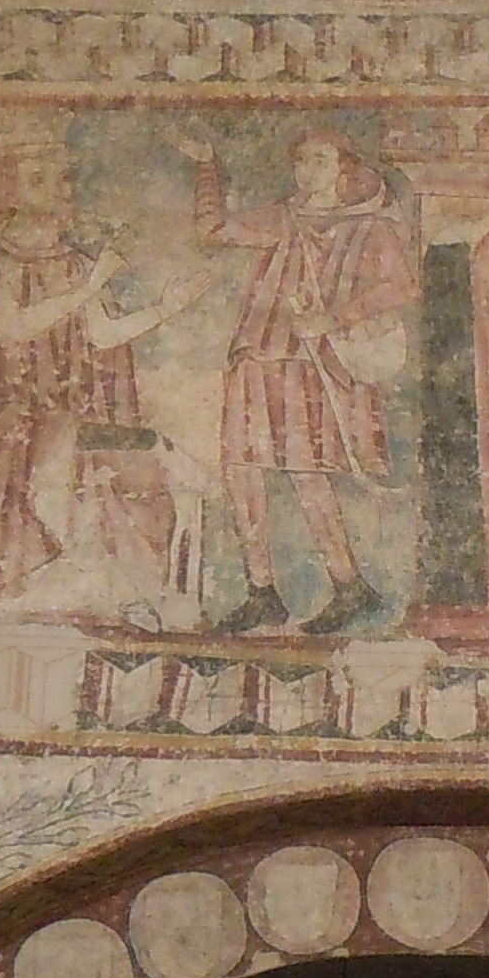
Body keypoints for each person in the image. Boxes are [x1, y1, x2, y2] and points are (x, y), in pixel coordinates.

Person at [184, 126, 420, 635]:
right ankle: (262, 591)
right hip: (258, 352)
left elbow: (400, 286)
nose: (306, 170)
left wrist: (334, 317)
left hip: (311, 361)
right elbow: (214, 229)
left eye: (319, 159)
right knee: (240, 469)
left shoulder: (368, 225)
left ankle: (349, 584)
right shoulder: (283, 217)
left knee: (305, 471)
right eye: (301, 160)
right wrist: (206, 166)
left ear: (343, 167)